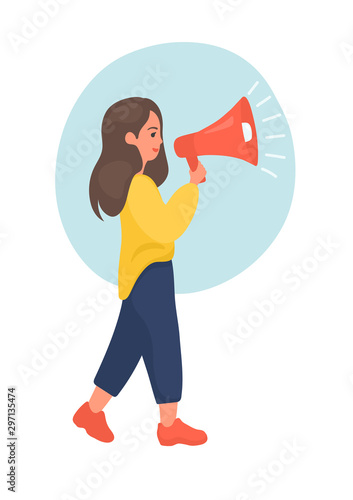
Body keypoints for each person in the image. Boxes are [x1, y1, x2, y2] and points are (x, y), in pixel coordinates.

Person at [73, 97, 207, 446]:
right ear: (130, 139)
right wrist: (191, 188)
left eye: (159, 132)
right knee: (163, 342)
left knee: (129, 345)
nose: (159, 141)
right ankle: (169, 425)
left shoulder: (138, 183)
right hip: (152, 273)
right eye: (152, 132)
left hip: (141, 273)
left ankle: (91, 412)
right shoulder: (139, 186)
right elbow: (165, 228)